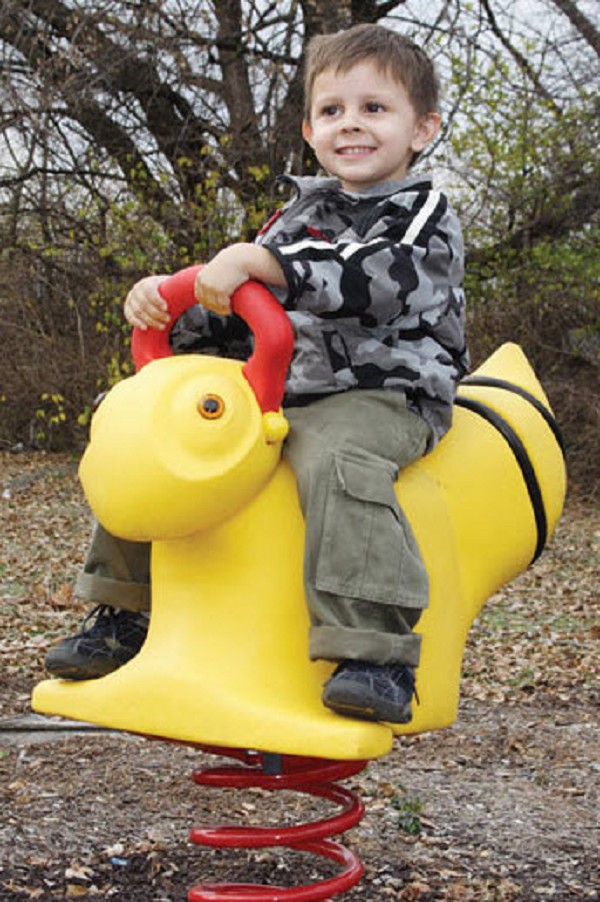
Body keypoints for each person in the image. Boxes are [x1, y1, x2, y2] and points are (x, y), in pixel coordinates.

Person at [45, 23, 469, 724]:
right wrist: (172, 307)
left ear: (421, 128)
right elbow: (237, 307)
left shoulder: (419, 213)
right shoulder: (294, 215)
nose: (350, 126)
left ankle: (376, 651)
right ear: (309, 128)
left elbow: (377, 283)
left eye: (374, 109)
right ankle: (122, 613)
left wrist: (265, 265)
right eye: (332, 111)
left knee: (337, 458)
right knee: (155, 428)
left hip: (384, 391)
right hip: (280, 385)